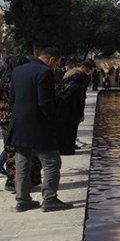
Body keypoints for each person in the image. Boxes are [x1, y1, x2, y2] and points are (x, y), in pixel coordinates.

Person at [6, 47, 72, 212]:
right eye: (56, 63)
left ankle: (22, 200)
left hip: (19, 123)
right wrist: (53, 122)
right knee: (51, 162)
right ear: (50, 59)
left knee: (22, 162)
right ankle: (50, 199)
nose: (56, 66)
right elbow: (45, 103)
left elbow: (12, 99)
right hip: (38, 125)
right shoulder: (45, 72)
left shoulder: (18, 71)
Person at [0, 55, 42, 192]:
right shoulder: (16, 80)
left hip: (5, 120)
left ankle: (12, 182)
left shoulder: (4, 80)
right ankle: (25, 181)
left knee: (11, 150)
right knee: (26, 150)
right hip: (18, 119)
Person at [55, 59, 92, 155]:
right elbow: (79, 98)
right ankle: (67, 150)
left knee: (63, 130)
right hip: (71, 109)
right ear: (84, 69)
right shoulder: (79, 80)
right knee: (70, 130)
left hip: (62, 107)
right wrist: (80, 113)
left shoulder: (70, 76)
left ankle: (62, 148)